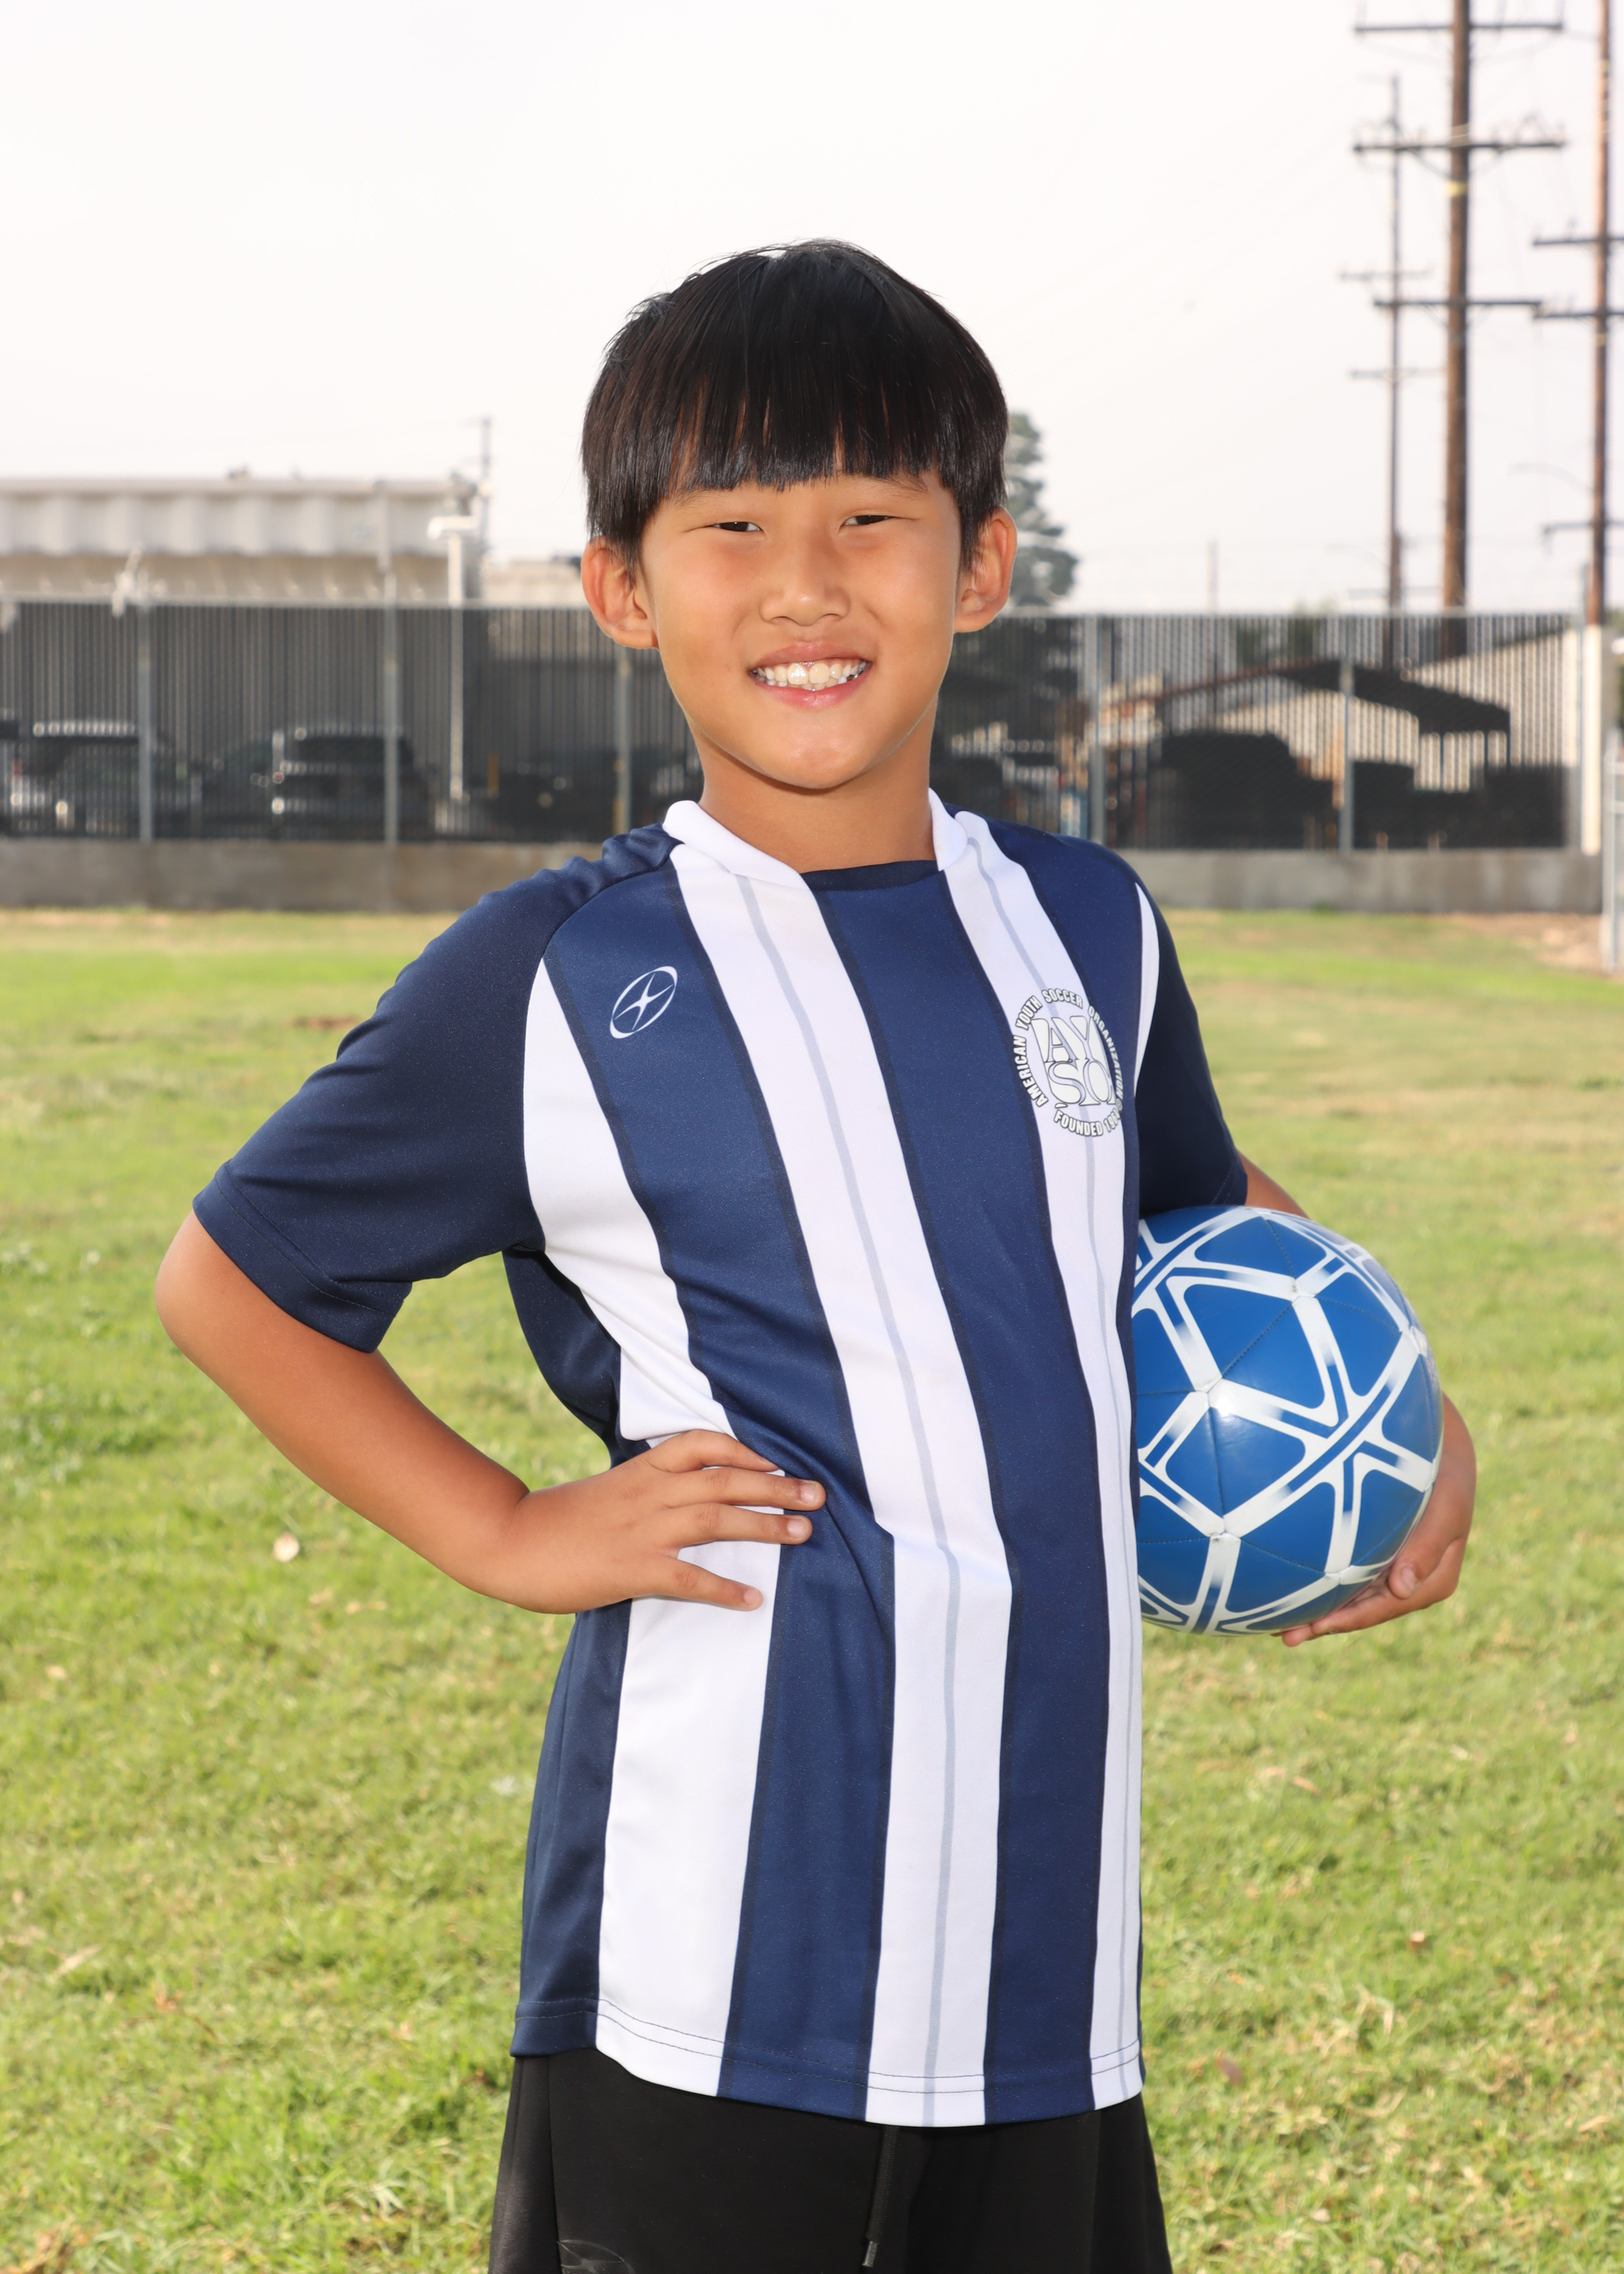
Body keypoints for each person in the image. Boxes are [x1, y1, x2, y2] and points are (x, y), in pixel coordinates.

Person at [155, 241, 1476, 2274]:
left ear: (979, 565)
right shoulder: (558, 971)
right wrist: (508, 1527)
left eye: (870, 518)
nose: (804, 585)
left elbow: (1197, 1207)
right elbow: (234, 1279)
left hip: (1042, 1958)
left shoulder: (1084, 926)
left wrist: (1404, 1421)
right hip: (714, 1963)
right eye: (732, 527)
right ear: (622, 587)